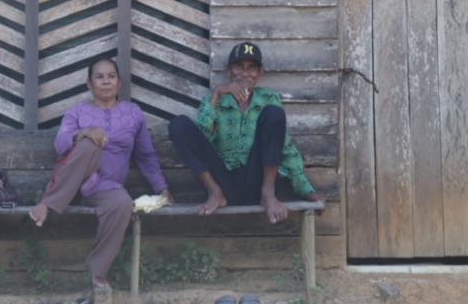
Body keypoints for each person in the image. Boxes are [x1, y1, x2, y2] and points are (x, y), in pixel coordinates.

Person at [28, 58, 172, 291]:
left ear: (119, 82)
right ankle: (47, 203)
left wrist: (162, 188)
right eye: (99, 77)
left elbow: (145, 155)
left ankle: (97, 272)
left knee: (122, 204)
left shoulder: (133, 113)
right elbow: (60, 143)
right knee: (89, 143)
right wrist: (84, 132)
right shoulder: (77, 111)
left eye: (111, 76)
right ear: (89, 83)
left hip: (105, 187)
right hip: (75, 182)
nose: (106, 81)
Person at [168, 41, 322, 223]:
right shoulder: (214, 100)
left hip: (257, 182)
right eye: (239, 67)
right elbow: (201, 142)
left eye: (252, 68)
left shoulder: (268, 98)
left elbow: (284, 147)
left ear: (260, 72)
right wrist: (216, 94)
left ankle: (268, 194)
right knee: (178, 125)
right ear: (228, 71)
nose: (245, 73)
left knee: (274, 113)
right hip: (224, 184)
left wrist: (307, 191)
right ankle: (214, 193)